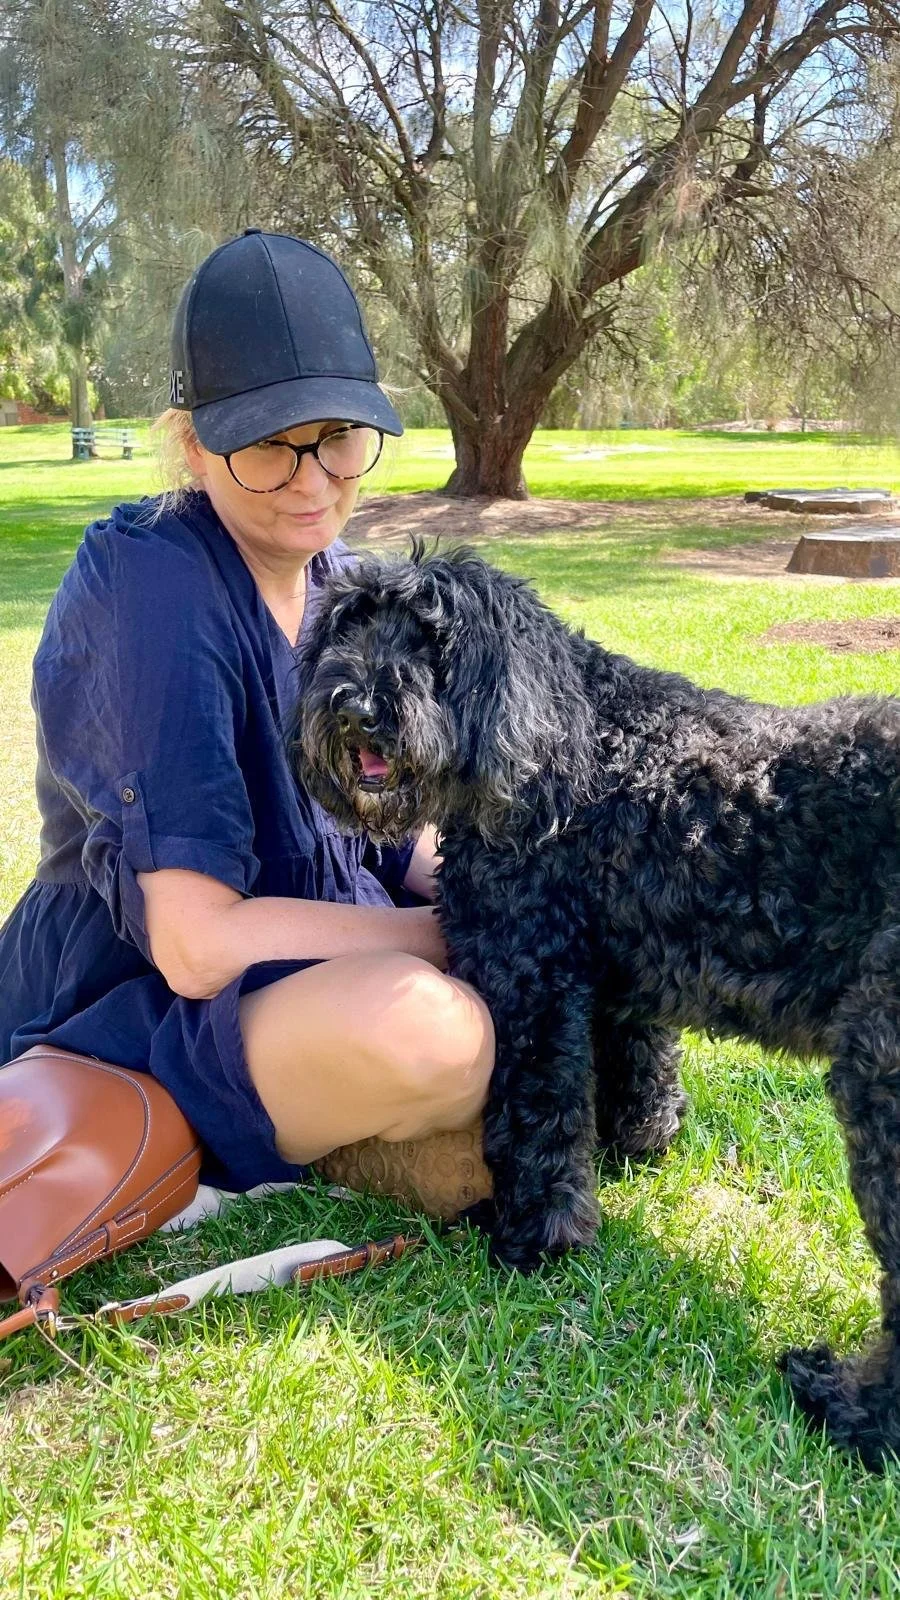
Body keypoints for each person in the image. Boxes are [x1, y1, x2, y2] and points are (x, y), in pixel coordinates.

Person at [0, 229, 494, 1197]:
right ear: (193, 445)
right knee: (435, 1034)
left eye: (339, 437)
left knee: (566, 972)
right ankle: (344, 1130)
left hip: (308, 962)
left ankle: (367, 1117)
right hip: (138, 1005)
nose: (312, 481)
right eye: (269, 445)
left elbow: (400, 835)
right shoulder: (152, 585)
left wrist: (520, 892)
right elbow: (198, 946)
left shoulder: (346, 586)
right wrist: (464, 937)